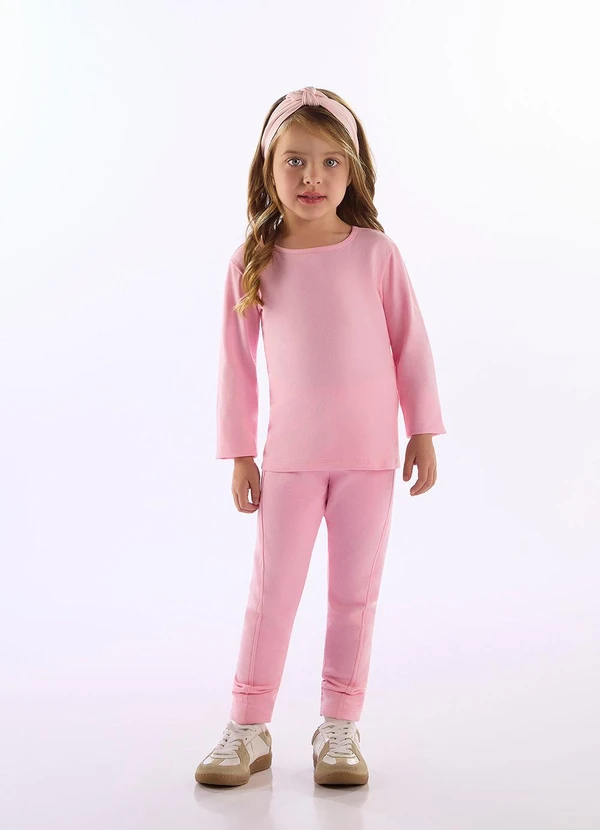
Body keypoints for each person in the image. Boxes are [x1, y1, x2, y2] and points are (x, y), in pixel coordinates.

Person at [195, 86, 446, 788]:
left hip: (369, 460)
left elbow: (411, 345)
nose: (313, 177)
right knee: (272, 594)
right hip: (290, 462)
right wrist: (239, 453)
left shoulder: (377, 254)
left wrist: (423, 430)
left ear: (353, 171)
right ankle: (248, 726)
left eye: (331, 161)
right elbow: (235, 364)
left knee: (353, 598)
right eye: (296, 161)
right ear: (269, 169)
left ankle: (339, 724)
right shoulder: (253, 259)